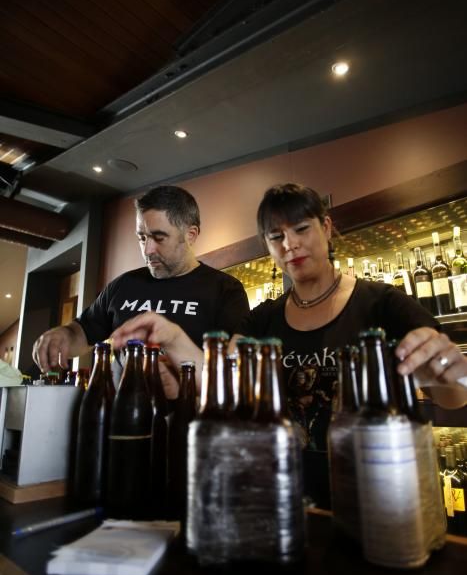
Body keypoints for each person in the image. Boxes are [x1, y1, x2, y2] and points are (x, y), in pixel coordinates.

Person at [110, 183, 467, 507]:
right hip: (289, 497)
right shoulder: (265, 319)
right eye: (275, 236)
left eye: (301, 229)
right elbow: (217, 381)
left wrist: (444, 371)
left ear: (326, 228)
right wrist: (171, 336)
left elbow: (455, 397)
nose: (289, 244)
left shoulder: (382, 302)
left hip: (378, 495)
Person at [32, 185, 250, 379]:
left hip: (188, 418)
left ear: (191, 235)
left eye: (159, 237)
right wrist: (62, 336)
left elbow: (233, 371)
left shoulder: (225, 290)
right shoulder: (122, 286)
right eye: (142, 237)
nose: (147, 250)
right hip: (123, 415)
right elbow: (82, 332)